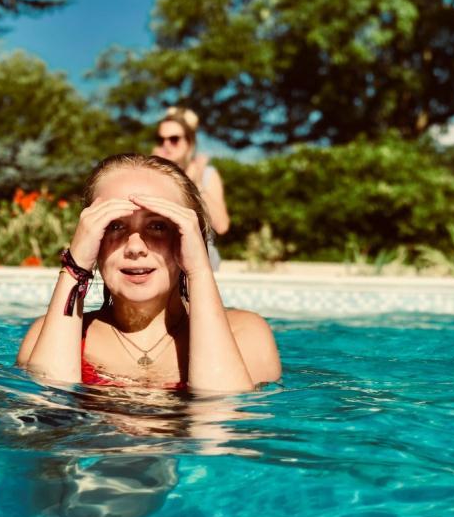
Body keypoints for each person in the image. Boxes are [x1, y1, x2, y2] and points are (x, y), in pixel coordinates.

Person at [17, 154, 280, 392]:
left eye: (158, 225)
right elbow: (47, 422)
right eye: (114, 225)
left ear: (188, 237)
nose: (134, 247)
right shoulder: (51, 334)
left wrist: (199, 270)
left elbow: (220, 425)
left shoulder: (246, 335)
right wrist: (75, 267)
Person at [151, 106, 229, 270]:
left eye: (174, 139)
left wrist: (196, 184)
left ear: (190, 143)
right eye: (161, 139)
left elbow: (222, 226)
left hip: (200, 262)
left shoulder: (207, 174)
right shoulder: (151, 174)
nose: (166, 145)